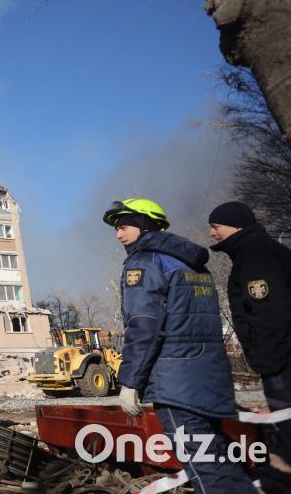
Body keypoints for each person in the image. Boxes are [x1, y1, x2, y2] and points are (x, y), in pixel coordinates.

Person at [103, 198, 256, 493]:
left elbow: (144, 326)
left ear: (144, 224)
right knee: (218, 461)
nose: (118, 234)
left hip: (175, 386)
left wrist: (130, 382)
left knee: (204, 470)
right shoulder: (192, 262)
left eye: (123, 226)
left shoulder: (144, 262)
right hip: (208, 378)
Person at [208, 201, 291, 464]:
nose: (211, 233)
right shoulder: (257, 251)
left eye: (215, 226)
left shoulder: (256, 256)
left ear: (236, 225)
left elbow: (270, 313)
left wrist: (266, 361)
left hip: (281, 363)